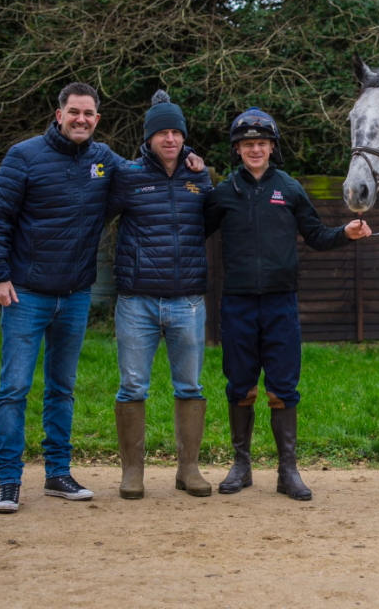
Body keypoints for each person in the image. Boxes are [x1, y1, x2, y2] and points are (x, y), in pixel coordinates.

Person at [0, 83, 204, 514]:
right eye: (74, 112)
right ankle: (8, 481)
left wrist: (191, 156)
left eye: (89, 113)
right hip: (25, 293)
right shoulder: (23, 156)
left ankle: (57, 475)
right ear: (59, 113)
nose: (81, 119)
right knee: (14, 388)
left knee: (62, 389)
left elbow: (153, 164)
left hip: (75, 294)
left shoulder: (105, 161)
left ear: (97, 119)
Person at [205, 107, 371, 500]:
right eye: (248, 144)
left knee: (283, 388)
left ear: (272, 147)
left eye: (262, 143)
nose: (255, 149)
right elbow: (193, 231)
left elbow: (315, 235)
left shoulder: (290, 188)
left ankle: (288, 471)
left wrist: (345, 232)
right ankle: (241, 465)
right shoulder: (224, 193)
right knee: (240, 385)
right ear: (237, 149)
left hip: (281, 304)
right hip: (238, 304)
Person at [105, 91, 214, 499]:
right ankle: (132, 472)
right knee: (133, 386)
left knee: (190, 386)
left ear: (183, 137)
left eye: (176, 132)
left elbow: (213, 220)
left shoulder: (199, 176)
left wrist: (203, 174)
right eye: (162, 132)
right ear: (149, 138)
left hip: (188, 301)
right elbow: (96, 217)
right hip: (137, 302)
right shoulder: (129, 176)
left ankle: (189, 470)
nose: (170, 139)